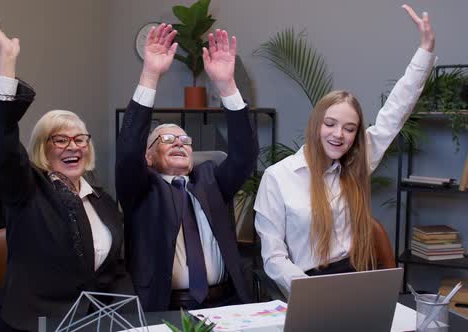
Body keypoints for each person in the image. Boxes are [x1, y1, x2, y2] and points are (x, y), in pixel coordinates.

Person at [254, 4, 436, 295]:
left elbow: (395, 113)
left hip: (355, 278)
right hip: (305, 282)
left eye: (350, 129)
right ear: (316, 125)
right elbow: (273, 257)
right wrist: (309, 290)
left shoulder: (357, 164)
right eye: (330, 124)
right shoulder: (278, 177)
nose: (339, 135)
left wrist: (425, 52)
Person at [0, 8, 123, 331]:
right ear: (42, 147)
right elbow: (2, 147)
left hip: (91, 323)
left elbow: (112, 274)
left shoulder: (103, 202)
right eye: (61, 139)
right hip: (33, 325)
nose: (73, 146)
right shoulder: (26, 188)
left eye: (80, 139)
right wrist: (7, 59)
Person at [116, 24, 259, 311]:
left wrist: (226, 86)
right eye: (167, 139)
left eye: (184, 139)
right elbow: (129, 149)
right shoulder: (141, 189)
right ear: (148, 156)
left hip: (226, 306)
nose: (179, 143)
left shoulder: (211, 181)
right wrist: (151, 75)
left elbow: (244, 155)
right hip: (164, 309)